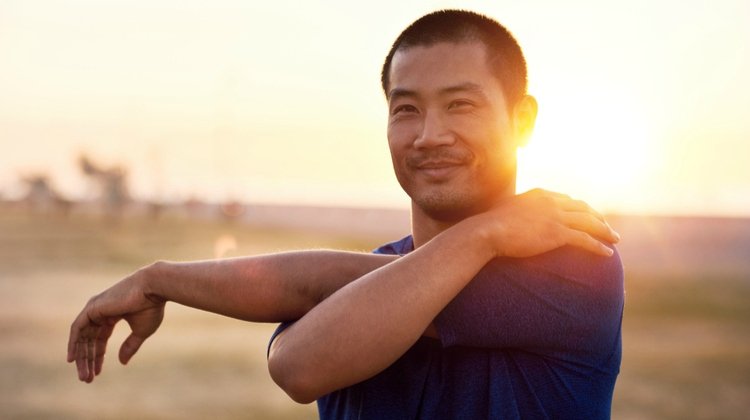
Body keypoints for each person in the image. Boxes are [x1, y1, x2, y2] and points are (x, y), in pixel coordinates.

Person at [68, 9, 624, 419]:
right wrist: (486, 232)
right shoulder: (372, 279)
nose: (430, 135)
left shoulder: (575, 259)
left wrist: (163, 280)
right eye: (406, 109)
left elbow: (306, 325)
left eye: (461, 104)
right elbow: (298, 364)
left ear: (522, 121)